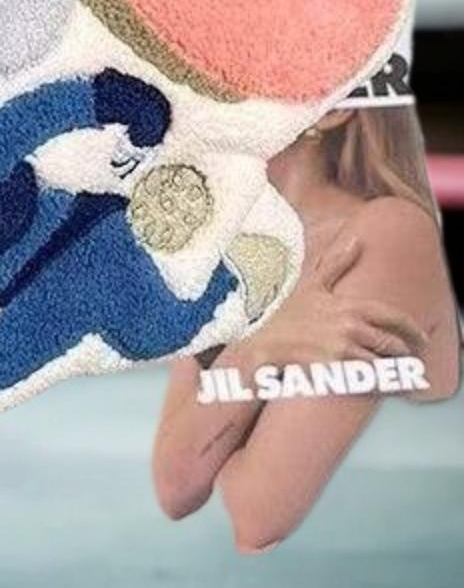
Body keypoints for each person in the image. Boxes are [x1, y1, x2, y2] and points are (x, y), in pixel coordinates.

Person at [152, 106, 460, 553]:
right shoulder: (228, 247)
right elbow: (175, 488)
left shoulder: (388, 230)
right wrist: (256, 350)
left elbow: (256, 519)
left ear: (335, 110)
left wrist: (246, 361)